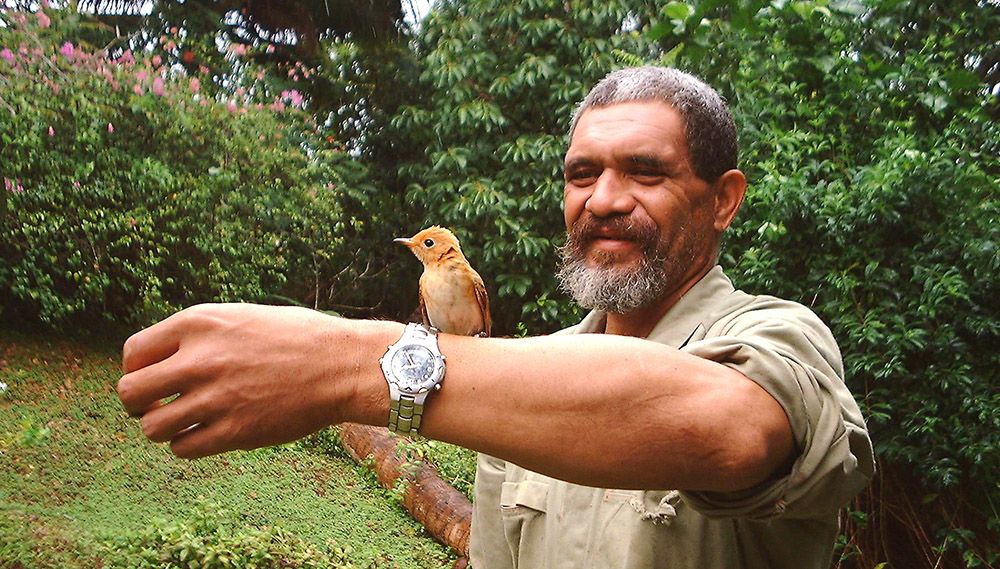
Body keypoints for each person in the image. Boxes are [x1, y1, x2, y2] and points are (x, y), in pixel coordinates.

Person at [118, 66, 874, 569]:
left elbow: (728, 428)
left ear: (723, 200)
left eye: (645, 171)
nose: (603, 199)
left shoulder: (779, 337)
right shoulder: (516, 380)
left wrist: (349, 362)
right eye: (582, 174)